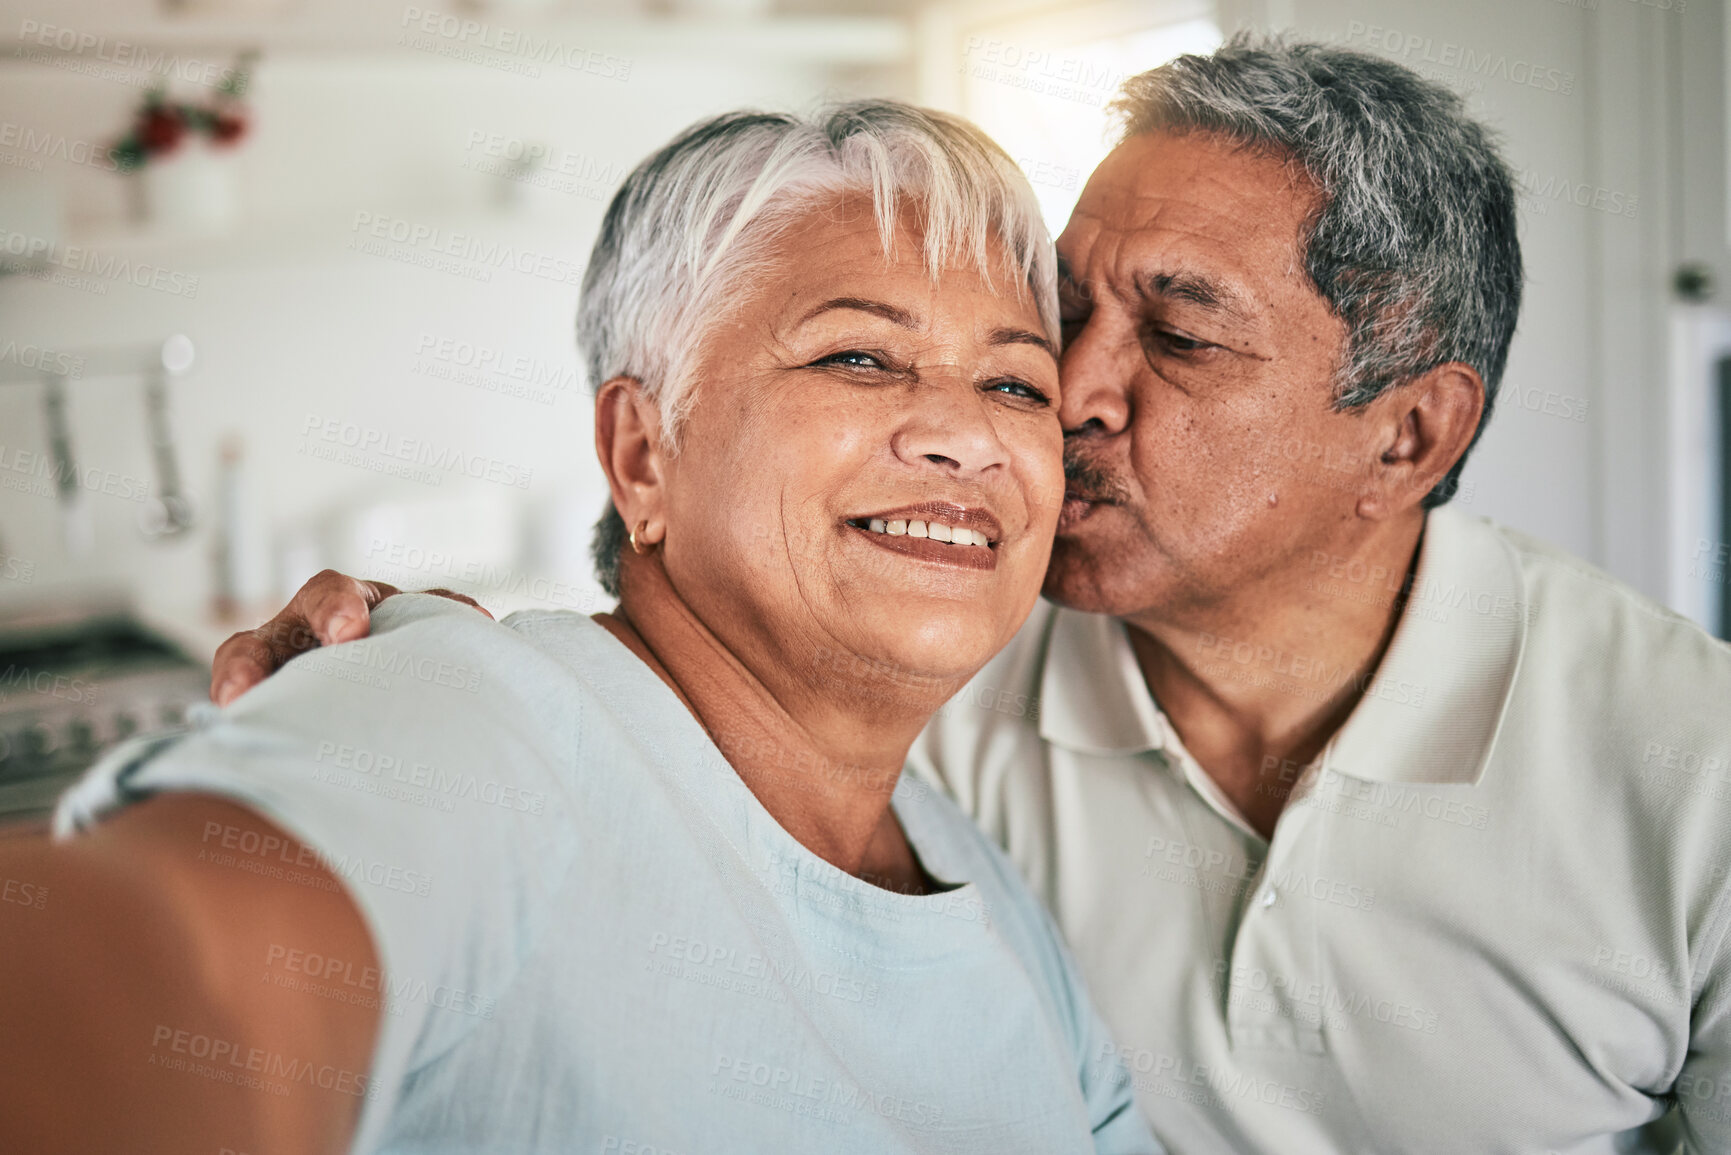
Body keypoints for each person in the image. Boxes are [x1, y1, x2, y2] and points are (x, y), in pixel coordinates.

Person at [228, 36, 1731, 1153]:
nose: (1060, 397)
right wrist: (405, 675)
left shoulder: (1694, 767)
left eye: (1180, 338)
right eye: (1063, 320)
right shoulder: (920, 670)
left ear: (1405, 433)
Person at [0, 101, 1160, 1155]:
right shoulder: (465, 719)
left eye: (1016, 386)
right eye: (858, 356)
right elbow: (161, 974)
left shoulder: (981, 885)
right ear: (642, 456)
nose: (966, 436)